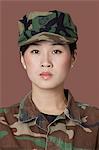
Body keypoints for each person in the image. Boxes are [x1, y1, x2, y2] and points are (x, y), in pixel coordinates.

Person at [0, 10, 99, 150]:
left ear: (73, 57)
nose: (46, 62)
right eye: (35, 51)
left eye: (56, 51)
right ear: (22, 59)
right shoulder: (3, 122)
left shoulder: (95, 122)